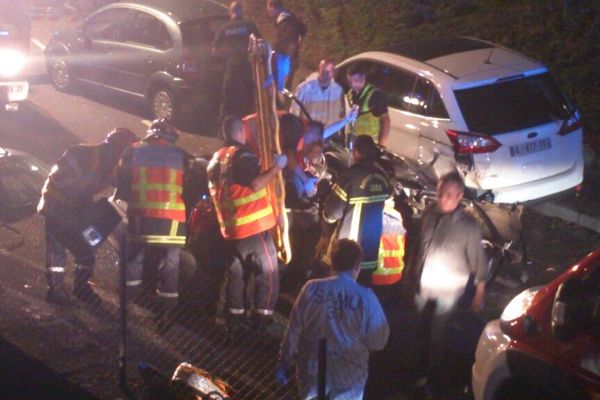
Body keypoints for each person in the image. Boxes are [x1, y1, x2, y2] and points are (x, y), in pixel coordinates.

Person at [278, 239, 390, 399]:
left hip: (312, 366)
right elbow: (378, 341)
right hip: (350, 371)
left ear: (332, 262)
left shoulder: (312, 288)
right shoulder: (367, 298)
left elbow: (294, 328)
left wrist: (285, 359)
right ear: (357, 267)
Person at [38, 128, 138, 306]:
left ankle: (81, 289)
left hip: (77, 208)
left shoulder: (112, 163)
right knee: (57, 249)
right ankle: (55, 291)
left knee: (86, 251)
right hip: (57, 206)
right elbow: (60, 179)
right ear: (118, 149)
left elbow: (122, 184)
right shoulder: (81, 153)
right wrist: (83, 199)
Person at [207, 115, 288, 332]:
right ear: (242, 132)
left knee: (237, 273)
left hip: (231, 230)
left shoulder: (216, 159)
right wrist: (277, 167)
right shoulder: (242, 154)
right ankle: (262, 321)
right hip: (252, 228)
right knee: (269, 272)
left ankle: (234, 320)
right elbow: (255, 183)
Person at [413, 171, 488, 399]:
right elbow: (420, 247)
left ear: (459, 196)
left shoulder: (469, 227)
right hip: (423, 287)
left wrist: (478, 294)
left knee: (439, 337)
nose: (442, 199)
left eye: (448, 195)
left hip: (448, 292)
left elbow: (479, 263)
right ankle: (420, 373)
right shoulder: (430, 214)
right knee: (421, 332)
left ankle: (435, 383)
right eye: (440, 193)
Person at [116, 119, 190, 318]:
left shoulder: (132, 151)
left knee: (133, 258)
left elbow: (120, 184)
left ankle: (127, 303)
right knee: (170, 263)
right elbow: (190, 187)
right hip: (172, 217)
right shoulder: (181, 155)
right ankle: (166, 310)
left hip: (140, 214)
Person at [320, 135, 393, 288]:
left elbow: (332, 212)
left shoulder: (350, 177)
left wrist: (325, 224)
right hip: (370, 253)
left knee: (340, 293)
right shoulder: (382, 176)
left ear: (357, 152)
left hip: (347, 252)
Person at [212, 1, 260, 121]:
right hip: (248, 68)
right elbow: (259, 43)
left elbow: (215, 50)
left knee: (228, 98)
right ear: (242, 12)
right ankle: (250, 124)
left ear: (230, 12)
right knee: (249, 98)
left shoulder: (224, 28)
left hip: (232, 68)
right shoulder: (250, 25)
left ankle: (225, 126)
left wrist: (226, 55)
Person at [266, 0, 307, 93]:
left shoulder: (286, 21)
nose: (268, 12)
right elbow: (303, 30)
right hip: (286, 59)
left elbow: (292, 41)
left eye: (268, 8)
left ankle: (286, 106)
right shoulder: (289, 18)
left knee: (283, 90)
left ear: (273, 7)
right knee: (283, 89)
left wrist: (289, 57)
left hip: (285, 61)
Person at [290, 59, 344, 127]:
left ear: (334, 73)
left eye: (330, 71)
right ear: (318, 71)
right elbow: (294, 112)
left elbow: (341, 113)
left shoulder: (338, 90)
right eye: (324, 71)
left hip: (331, 132)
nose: (327, 74)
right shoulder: (303, 89)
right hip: (310, 131)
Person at [346, 63, 391, 146]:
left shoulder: (375, 96)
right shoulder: (350, 93)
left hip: (367, 143)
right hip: (353, 139)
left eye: (356, 81)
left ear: (363, 77)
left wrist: (381, 146)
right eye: (350, 82)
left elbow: (385, 121)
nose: (352, 85)